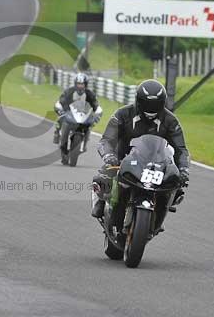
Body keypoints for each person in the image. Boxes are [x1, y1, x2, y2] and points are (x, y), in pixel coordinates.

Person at [91, 79, 191, 222]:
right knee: (103, 177)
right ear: (139, 101)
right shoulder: (123, 114)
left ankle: (159, 213)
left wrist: (184, 169)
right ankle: (101, 201)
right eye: (147, 103)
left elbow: (181, 149)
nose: (151, 108)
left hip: (155, 164)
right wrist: (108, 155)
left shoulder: (170, 121)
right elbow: (106, 140)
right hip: (123, 159)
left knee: (177, 186)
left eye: (156, 104)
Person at [53, 73, 102, 148]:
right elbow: (61, 101)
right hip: (69, 113)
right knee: (60, 118)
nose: (80, 86)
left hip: (83, 115)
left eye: (82, 84)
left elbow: (95, 105)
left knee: (90, 125)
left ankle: (85, 140)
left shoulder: (90, 94)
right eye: (78, 84)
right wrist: (62, 110)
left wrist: (97, 114)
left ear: (86, 84)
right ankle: (57, 132)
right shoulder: (69, 91)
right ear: (75, 84)